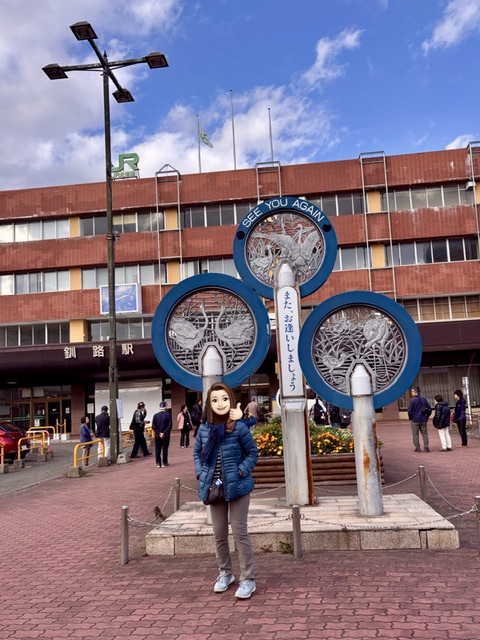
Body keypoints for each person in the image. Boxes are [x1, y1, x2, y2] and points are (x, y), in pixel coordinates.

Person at [193, 382, 259, 600]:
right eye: (215, 400)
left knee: (240, 532)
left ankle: (248, 578)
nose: (220, 404)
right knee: (219, 534)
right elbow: (197, 454)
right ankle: (225, 573)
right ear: (209, 404)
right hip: (215, 487)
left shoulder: (239, 427)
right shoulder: (204, 429)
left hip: (238, 486)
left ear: (230, 400)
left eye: (224, 399)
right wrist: (201, 473)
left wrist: (241, 471)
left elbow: (252, 453)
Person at [407, 386, 432, 452]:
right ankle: (426, 447)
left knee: (415, 434)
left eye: (412, 392)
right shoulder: (424, 399)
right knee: (425, 434)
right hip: (423, 419)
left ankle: (417, 447)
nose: (411, 393)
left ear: (414, 392)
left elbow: (409, 411)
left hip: (415, 420)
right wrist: (427, 417)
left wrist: (410, 418)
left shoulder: (412, 400)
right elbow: (429, 409)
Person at [152, 401, 172, 467]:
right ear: (165, 407)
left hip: (157, 435)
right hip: (166, 435)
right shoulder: (168, 415)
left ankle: (158, 463)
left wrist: (159, 433)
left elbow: (154, 426)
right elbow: (170, 425)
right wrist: (164, 433)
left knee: (157, 449)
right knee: (165, 448)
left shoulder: (155, 415)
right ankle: (164, 462)